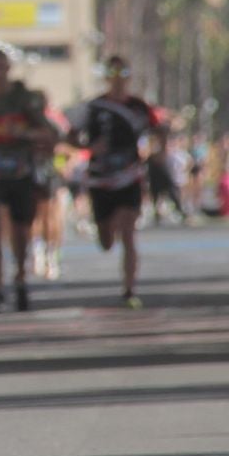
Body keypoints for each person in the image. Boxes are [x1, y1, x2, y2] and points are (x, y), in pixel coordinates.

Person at [0, 49, 57, 313]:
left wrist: (23, 132)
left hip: (21, 169)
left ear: (8, 68)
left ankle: (20, 277)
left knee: (20, 230)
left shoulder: (24, 98)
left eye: (2, 66)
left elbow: (49, 132)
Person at [67, 56, 158, 307]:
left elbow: (158, 131)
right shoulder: (93, 108)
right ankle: (104, 231)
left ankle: (130, 290)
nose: (118, 77)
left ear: (129, 76)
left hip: (129, 176)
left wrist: (153, 150)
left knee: (128, 233)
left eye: (123, 72)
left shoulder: (139, 107)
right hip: (100, 179)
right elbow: (70, 136)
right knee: (107, 240)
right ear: (106, 76)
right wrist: (89, 147)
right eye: (112, 72)